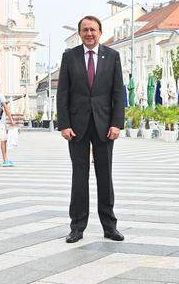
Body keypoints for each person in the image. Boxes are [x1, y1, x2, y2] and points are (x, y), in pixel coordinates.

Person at [57, 15, 125, 244]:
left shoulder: (112, 56)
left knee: (105, 177)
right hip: (76, 127)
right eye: (85, 30)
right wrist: (64, 124)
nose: (89, 34)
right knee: (79, 177)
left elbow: (118, 93)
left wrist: (117, 124)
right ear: (80, 33)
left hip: (105, 126)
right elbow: (63, 93)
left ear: (100, 32)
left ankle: (109, 226)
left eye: (93, 30)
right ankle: (77, 226)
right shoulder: (69, 57)